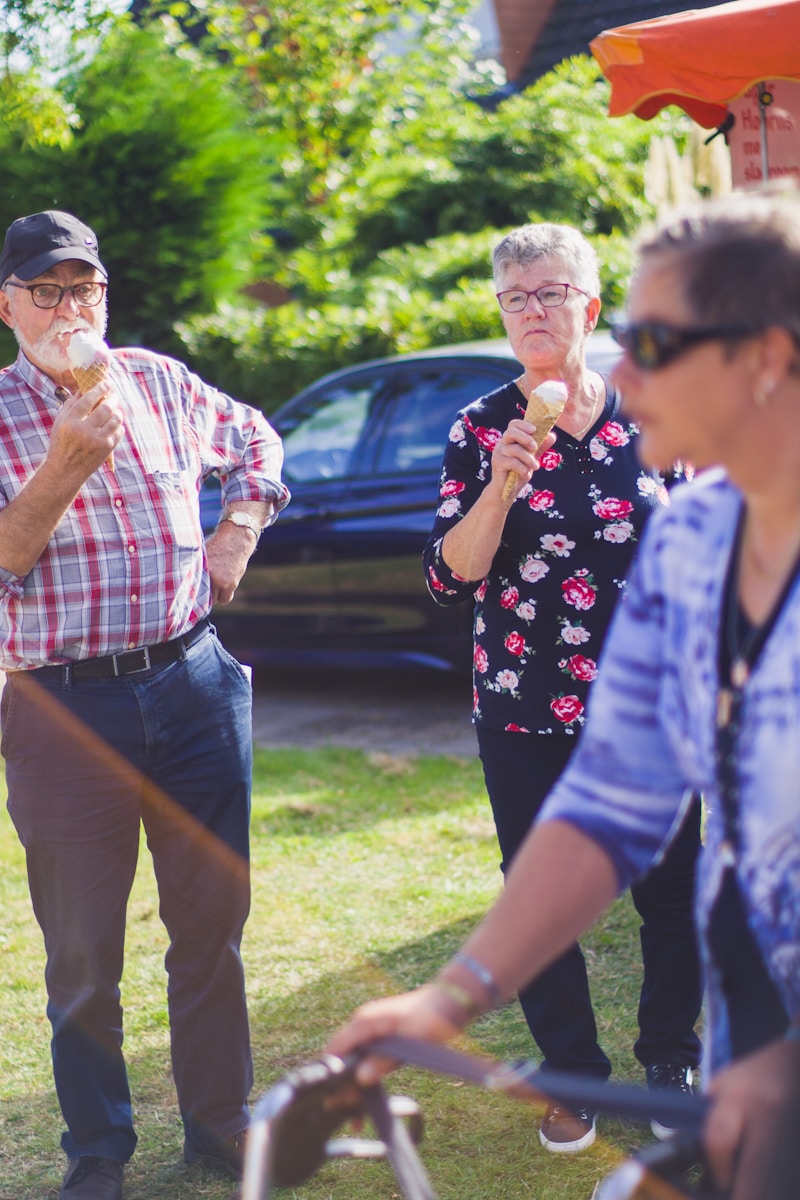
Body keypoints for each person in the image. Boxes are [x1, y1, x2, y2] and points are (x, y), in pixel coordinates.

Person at [326, 191, 800, 1200]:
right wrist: (448, 995)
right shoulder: (690, 536)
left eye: (655, 339)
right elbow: (611, 802)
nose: (621, 372)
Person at [0, 210, 290, 1200]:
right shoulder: (1, 414)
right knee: (84, 952)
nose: (69, 308)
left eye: (84, 289)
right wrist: (62, 466)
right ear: (8, 308)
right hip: (62, 707)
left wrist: (237, 532)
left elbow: (255, 437)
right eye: (47, 291)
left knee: (212, 925)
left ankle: (220, 1125)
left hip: (195, 683)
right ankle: (98, 1152)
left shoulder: (159, 381)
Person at [421, 222, 702, 1152]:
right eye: (514, 299)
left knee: (671, 887)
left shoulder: (655, 411)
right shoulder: (477, 430)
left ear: (590, 305)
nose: (532, 312)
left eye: (548, 294)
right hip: (526, 701)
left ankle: (670, 1060)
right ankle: (574, 1076)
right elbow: (451, 577)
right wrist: (500, 487)